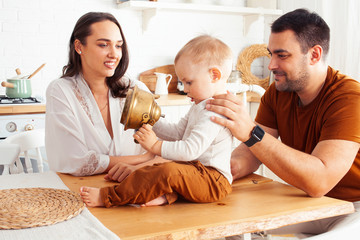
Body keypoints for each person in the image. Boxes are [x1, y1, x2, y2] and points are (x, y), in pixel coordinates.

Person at [206, 8, 360, 238]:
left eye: (282, 55)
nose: (271, 65)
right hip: (310, 202)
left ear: (314, 55)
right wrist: (209, 172)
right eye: (271, 54)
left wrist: (251, 131)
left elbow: (320, 181)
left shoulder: (349, 98)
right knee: (226, 230)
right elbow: (249, 155)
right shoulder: (279, 92)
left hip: (354, 207)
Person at [79, 35, 234, 207]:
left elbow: (190, 150)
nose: (185, 89)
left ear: (214, 75)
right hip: (196, 174)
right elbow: (177, 134)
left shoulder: (216, 112)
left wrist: (155, 146)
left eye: (189, 82)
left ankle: (107, 197)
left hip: (213, 181)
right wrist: (150, 120)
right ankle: (165, 196)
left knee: (166, 171)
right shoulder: (200, 105)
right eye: (183, 83)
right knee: (151, 169)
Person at [45, 12, 159, 178]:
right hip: (78, 192)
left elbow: (170, 145)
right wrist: (144, 158)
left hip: (133, 187)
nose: (114, 54)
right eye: (103, 45)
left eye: (118, 46)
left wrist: (204, 107)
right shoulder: (61, 91)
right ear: (78, 47)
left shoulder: (135, 88)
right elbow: (76, 162)